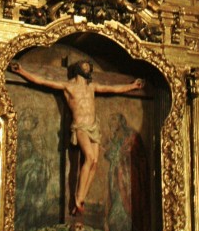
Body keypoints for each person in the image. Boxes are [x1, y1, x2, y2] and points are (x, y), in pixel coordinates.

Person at [12, 59, 144, 215]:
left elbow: (113, 89)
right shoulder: (69, 86)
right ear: (78, 69)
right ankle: (77, 197)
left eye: (89, 67)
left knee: (94, 162)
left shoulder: (92, 87)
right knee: (88, 157)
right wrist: (22, 71)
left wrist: (133, 86)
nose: (88, 68)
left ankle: (81, 200)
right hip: (80, 126)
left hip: (93, 126)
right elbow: (42, 81)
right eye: (85, 66)